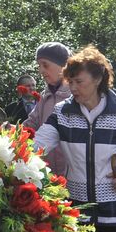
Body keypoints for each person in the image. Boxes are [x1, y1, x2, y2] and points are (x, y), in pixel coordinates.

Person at [31, 45, 116, 232]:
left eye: (79, 82)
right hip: (78, 213)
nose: (74, 88)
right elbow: (37, 146)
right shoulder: (62, 112)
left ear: (97, 79)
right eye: (71, 82)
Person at [24, 42, 73, 177]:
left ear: (63, 65)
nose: (41, 71)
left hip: (73, 176)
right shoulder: (44, 98)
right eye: (39, 65)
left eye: (45, 65)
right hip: (47, 174)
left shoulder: (76, 95)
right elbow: (30, 125)